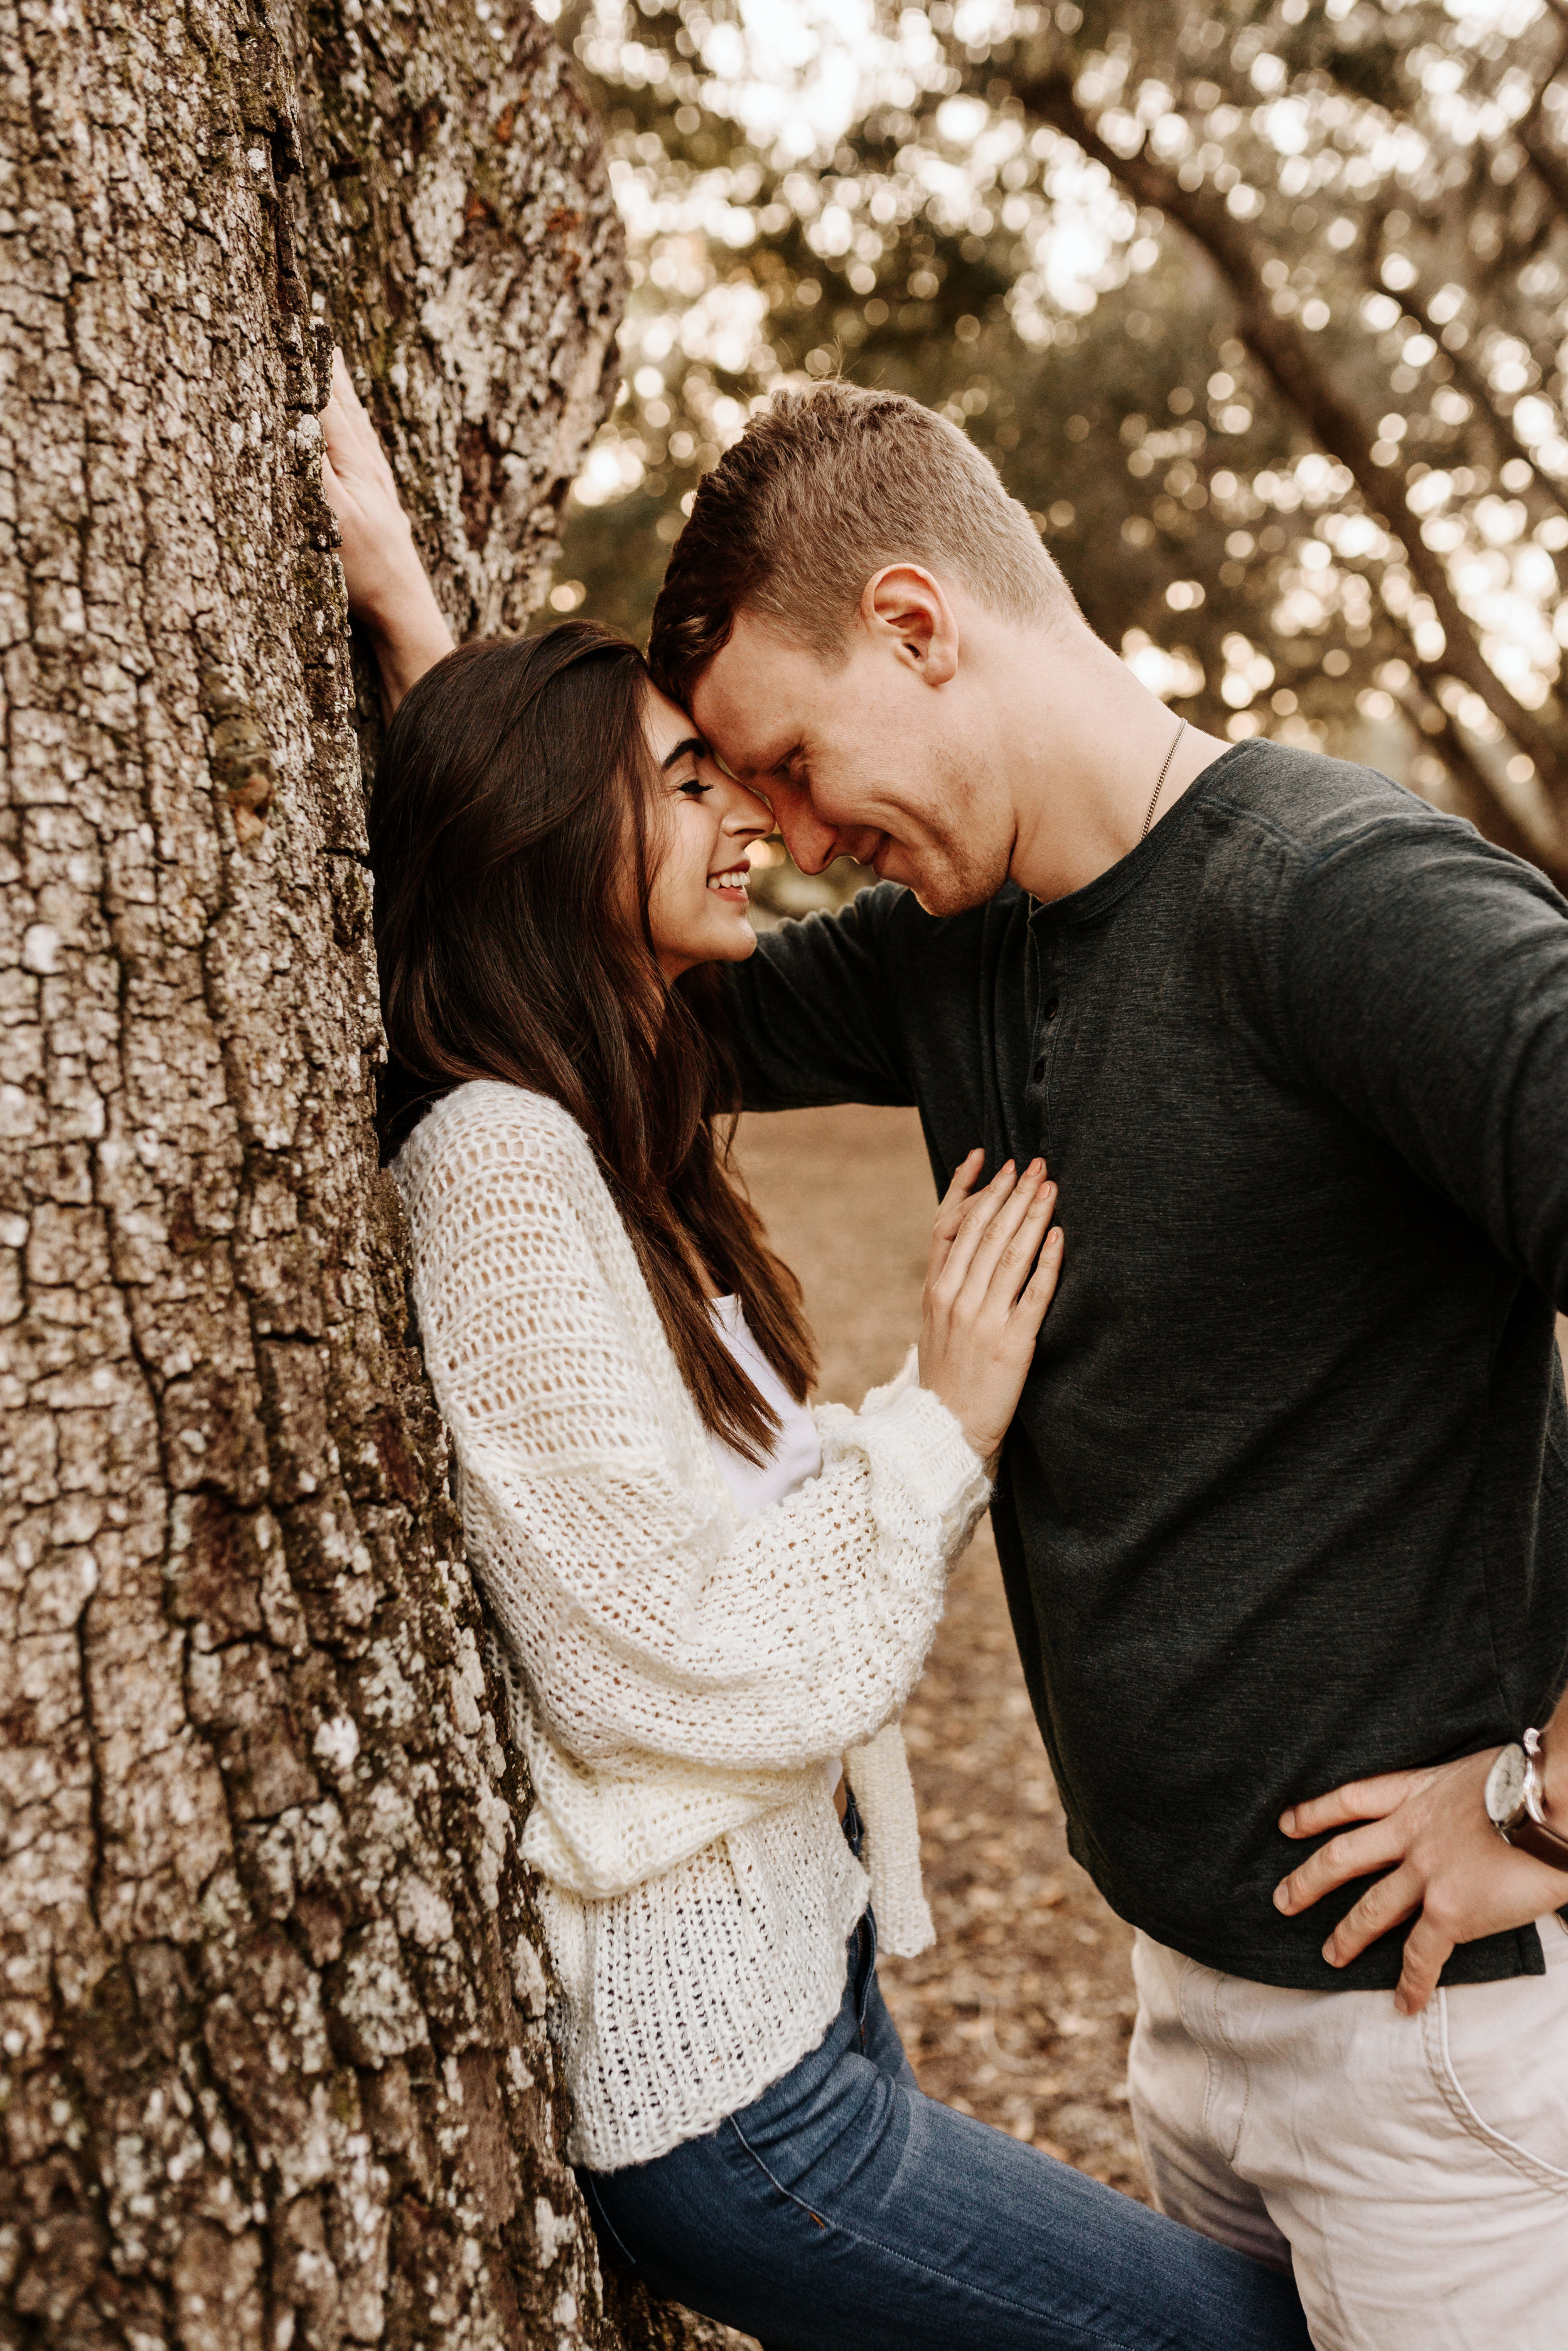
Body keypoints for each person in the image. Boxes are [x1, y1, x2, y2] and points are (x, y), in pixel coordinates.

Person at [321, 358, 1314, 2351]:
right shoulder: (509, 1165)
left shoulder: (606, 1118)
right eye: (689, 779)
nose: (756, 818)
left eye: (746, 768)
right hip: (721, 2093)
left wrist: (428, 629)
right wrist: (933, 1432)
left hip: (802, 1959)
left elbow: (585, 922)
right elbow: (662, 1650)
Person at [635, 380, 1568, 2348]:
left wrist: (1551, 1806)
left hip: (1440, 2056)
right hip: (1190, 2004)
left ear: (914, 621)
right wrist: (406, 633)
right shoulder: (955, 937)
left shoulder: (1339, 901)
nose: (793, 834)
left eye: (790, 760)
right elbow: (622, 1002)